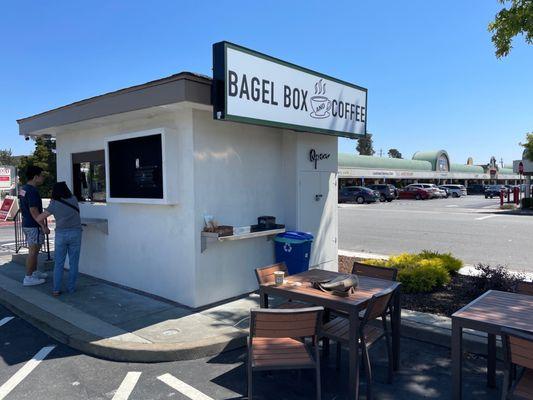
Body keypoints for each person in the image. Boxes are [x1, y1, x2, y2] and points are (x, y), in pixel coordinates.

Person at [35, 182, 82, 296]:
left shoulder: (54, 204)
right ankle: (71, 288)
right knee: (74, 263)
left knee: (59, 264)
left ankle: (56, 289)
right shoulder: (74, 199)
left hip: (61, 234)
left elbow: (39, 218)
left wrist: (44, 227)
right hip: (76, 233)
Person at [18, 166, 49, 286]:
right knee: (33, 251)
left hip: (27, 223)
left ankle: (34, 272)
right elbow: (34, 210)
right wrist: (43, 226)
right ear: (36, 177)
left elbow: (23, 206)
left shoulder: (23, 189)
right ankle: (29, 277)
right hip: (33, 225)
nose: (43, 178)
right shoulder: (32, 191)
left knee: (34, 251)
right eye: (42, 175)